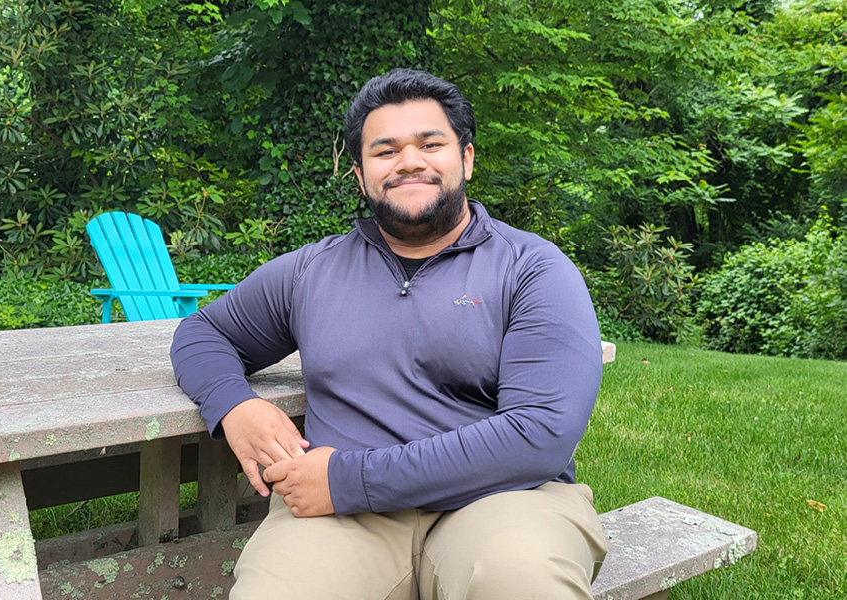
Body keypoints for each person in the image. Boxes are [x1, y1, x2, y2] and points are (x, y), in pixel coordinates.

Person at [171, 68, 608, 600]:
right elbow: (203, 333)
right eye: (386, 151)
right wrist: (234, 405)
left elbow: (538, 434)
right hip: (339, 522)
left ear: (466, 158)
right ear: (360, 174)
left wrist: (350, 480)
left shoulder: (532, 268)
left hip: (505, 498)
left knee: (522, 582)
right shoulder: (312, 271)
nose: (409, 162)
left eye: (430, 143)